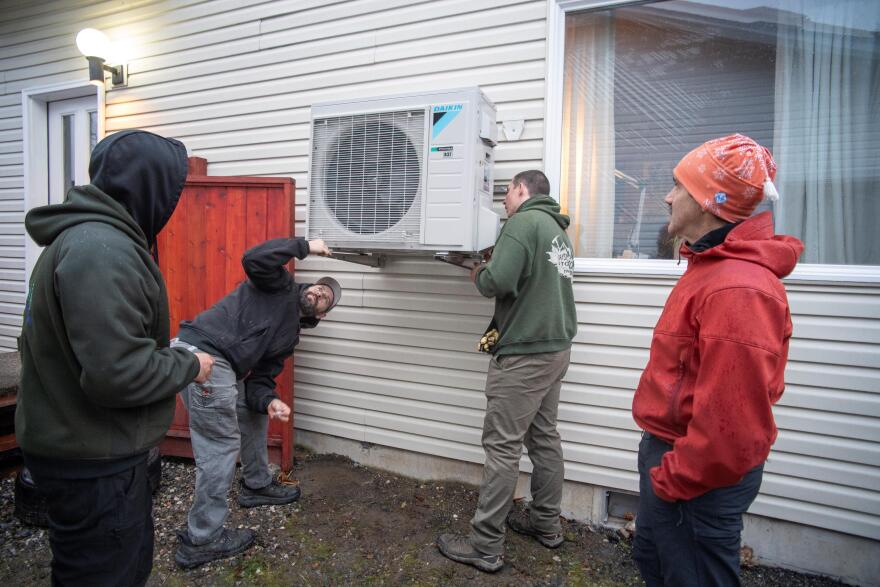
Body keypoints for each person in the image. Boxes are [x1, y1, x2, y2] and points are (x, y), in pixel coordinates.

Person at [17, 130, 214, 586]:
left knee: (99, 565)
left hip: (77, 445)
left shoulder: (85, 241)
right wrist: (189, 365)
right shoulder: (102, 251)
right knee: (105, 574)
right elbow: (117, 374)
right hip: (92, 460)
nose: (174, 202)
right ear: (147, 186)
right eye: (172, 189)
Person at [631, 134, 804, 586]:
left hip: (695, 478)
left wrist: (672, 480)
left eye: (678, 186)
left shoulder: (737, 289)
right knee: (658, 565)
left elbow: (733, 424)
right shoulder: (710, 268)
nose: (668, 197)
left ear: (708, 200)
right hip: (679, 463)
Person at [436, 170, 577, 573]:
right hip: (555, 350)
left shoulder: (521, 223)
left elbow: (499, 281)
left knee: (502, 447)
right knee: (544, 437)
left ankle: (485, 547)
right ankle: (546, 524)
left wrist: (478, 271)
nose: (503, 203)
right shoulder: (556, 229)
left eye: (507, 194)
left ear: (521, 189)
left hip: (525, 356)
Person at [171, 237, 341, 568]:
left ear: (321, 315)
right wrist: (306, 246)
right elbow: (254, 258)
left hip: (218, 366)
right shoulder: (278, 285)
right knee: (219, 445)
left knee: (252, 410)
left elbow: (260, 382)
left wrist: (270, 402)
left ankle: (257, 484)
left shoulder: (289, 337)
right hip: (203, 354)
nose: (320, 293)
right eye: (321, 288)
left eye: (327, 299)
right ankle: (202, 538)